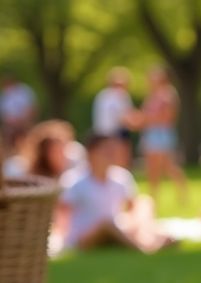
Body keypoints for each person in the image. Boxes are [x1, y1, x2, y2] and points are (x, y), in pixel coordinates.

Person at [56, 131, 172, 253]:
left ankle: (146, 239)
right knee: (106, 225)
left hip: (116, 228)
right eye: (106, 150)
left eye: (112, 150)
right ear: (91, 152)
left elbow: (133, 207)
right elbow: (62, 214)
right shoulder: (73, 180)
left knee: (145, 202)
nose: (111, 154)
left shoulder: (121, 176)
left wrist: (135, 226)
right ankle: (145, 248)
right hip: (84, 235)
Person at [139, 65, 188, 205]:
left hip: (163, 135)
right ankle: (153, 198)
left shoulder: (168, 95)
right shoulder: (151, 96)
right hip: (151, 134)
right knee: (151, 167)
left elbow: (168, 118)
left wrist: (147, 119)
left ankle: (182, 193)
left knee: (168, 166)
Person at [92, 67, 135, 169]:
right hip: (116, 133)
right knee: (120, 161)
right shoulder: (121, 95)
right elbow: (125, 117)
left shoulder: (101, 95)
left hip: (102, 133)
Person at [0, 74, 37, 152]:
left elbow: (33, 108)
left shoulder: (26, 91)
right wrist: (13, 123)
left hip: (26, 122)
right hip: (11, 125)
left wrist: (24, 121)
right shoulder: (3, 95)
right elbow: (3, 115)